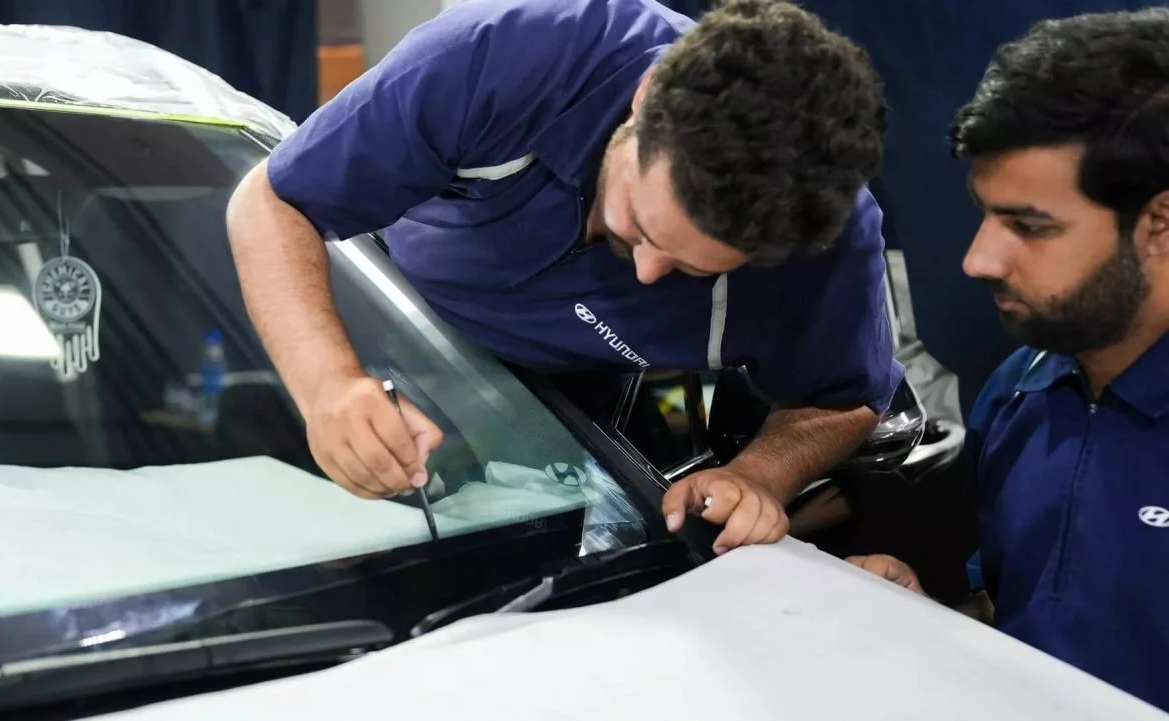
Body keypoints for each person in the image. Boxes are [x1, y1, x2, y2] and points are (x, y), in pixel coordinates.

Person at [226, 0, 904, 553]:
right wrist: (329, 385)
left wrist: (758, 475)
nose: (645, 271)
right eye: (639, 223)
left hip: (573, 432)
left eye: (691, 271)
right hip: (368, 335)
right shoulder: (509, 55)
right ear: (645, 99)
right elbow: (272, 199)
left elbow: (843, 397)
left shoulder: (829, 246)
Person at [849, 8, 1169, 711]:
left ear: (1161, 223)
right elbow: (1009, 617)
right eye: (985, 214)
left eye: (1030, 226)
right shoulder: (1021, 387)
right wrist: (926, 616)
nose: (977, 258)